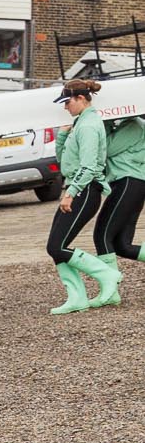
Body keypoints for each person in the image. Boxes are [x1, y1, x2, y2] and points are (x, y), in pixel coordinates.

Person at [47, 79, 122, 314]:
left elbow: (89, 167)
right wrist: (61, 137)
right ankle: (77, 298)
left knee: (57, 246)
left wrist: (70, 193)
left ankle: (107, 275)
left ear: (81, 98)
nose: (64, 107)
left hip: (85, 190)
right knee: (55, 246)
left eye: (67, 102)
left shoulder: (89, 126)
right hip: (78, 188)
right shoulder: (80, 124)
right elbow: (64, 162)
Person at [92, 108, 145, 280]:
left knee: (102, 236)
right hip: (130, 183)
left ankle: (110, 289)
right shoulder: (130, 125)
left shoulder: (133, 126)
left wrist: (103, 122)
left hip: (128, 182)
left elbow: (105, 150)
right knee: (122, 245)